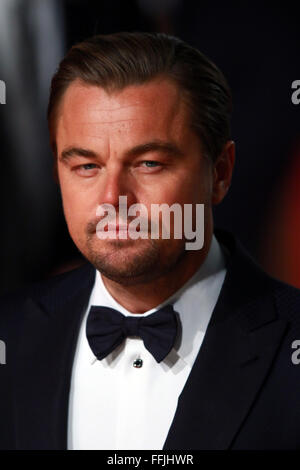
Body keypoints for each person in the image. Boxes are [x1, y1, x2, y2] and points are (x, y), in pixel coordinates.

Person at [0, 31, 300, 451]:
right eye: (87, 166)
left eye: (149, 163)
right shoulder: (9, 337)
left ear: (220, 173)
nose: (112, 200)